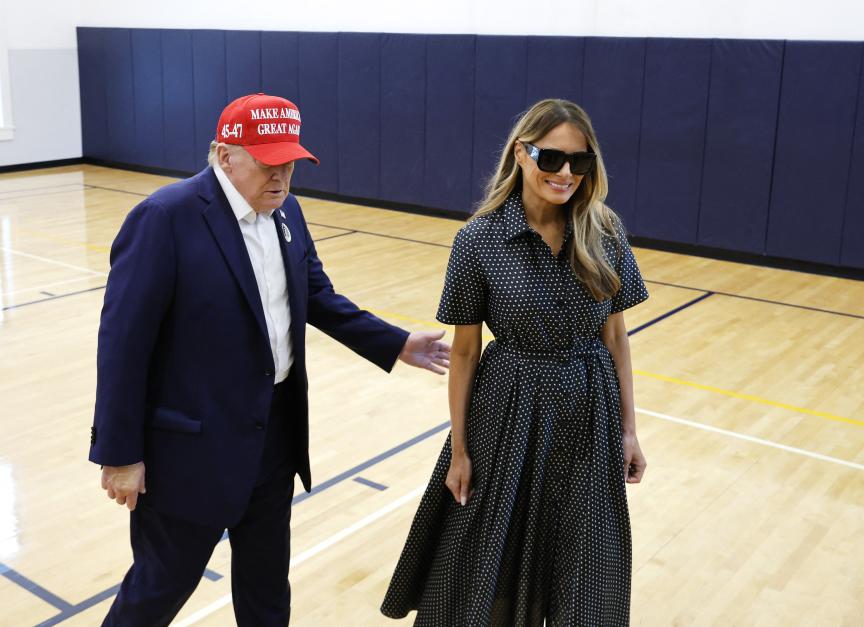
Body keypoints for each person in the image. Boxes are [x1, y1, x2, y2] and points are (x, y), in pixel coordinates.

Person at [89, 92, 450, 627]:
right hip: (190, 452)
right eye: (267, 161)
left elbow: (317, 296)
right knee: (158, 591)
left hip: (272, 439)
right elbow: (122, 345)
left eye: (289, 163)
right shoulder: (165, 218)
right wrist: (120, 454)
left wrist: (395, 342)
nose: (280, 175)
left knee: (265, 592)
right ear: (224, 153)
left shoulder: (288, 213)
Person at [381, 99, 649, 625]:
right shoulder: (478, 240)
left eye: (581, 161)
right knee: (486, 560)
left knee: (585, 563)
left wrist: (629, 430)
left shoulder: (606, 230)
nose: (566, 173)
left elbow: (615, 336)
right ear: (522, 155)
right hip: (506, 413)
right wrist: (459, 450)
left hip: (587, 413)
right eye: (551, 159)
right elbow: (464, 353)